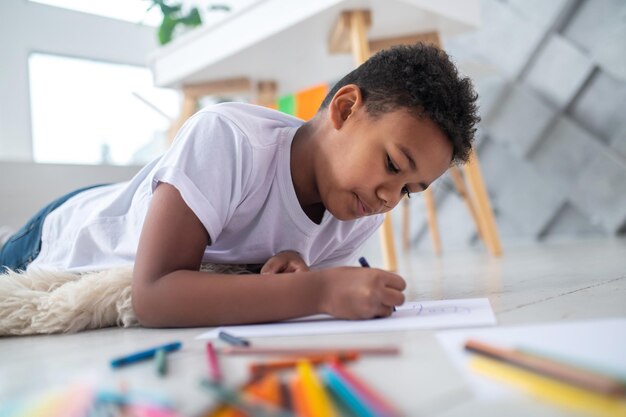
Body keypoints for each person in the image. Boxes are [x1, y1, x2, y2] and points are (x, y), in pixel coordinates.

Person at [0, 43, 479, 327]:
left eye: (410, 191)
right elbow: (152, 295)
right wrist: (316, 292)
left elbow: (275, 273)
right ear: (345, 108)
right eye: (394, 165)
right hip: (64, 232)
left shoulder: (356, 208)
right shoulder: (230, 139)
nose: (389, 199)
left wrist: (297, 270)